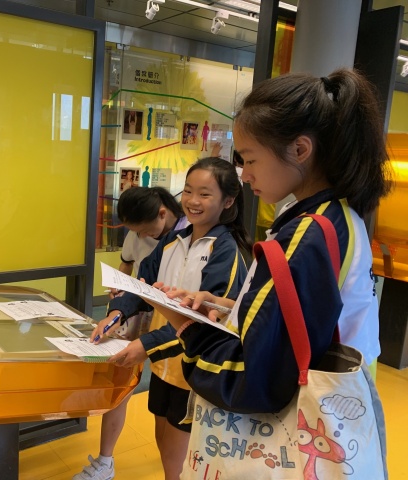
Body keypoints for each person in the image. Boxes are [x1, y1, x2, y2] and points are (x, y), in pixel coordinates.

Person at [152, 69, 392, 477]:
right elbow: (304, 322)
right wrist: (227, 306)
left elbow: (254, 378)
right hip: (344, 409)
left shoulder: (305, 236)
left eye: (250, 159)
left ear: (300, 149)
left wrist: (184, 325)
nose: (245, 175)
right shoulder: (340, 217)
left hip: (294, 432)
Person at [88, 157, 251, 480]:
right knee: (165, 442)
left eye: (205, 194)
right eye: (188, 191)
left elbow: (207, 322)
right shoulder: (173, 241)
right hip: (165, 367)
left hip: (195, 370)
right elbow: (142, 285)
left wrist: (146, 344)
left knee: (179, 455)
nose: (193, 200)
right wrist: (118, 312)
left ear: (228, 201)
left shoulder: (226, 250)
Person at [74, 186, 189, 480]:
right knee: (121, 382)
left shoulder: (188, 235)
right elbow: (129, 265)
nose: (141, 236)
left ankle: (180, 468)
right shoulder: (139, 232)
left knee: (175, 403)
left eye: (145, 230)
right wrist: (118, 297)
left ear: (162, 214)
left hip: (173, 318)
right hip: (135, 306)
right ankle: (105, 460)